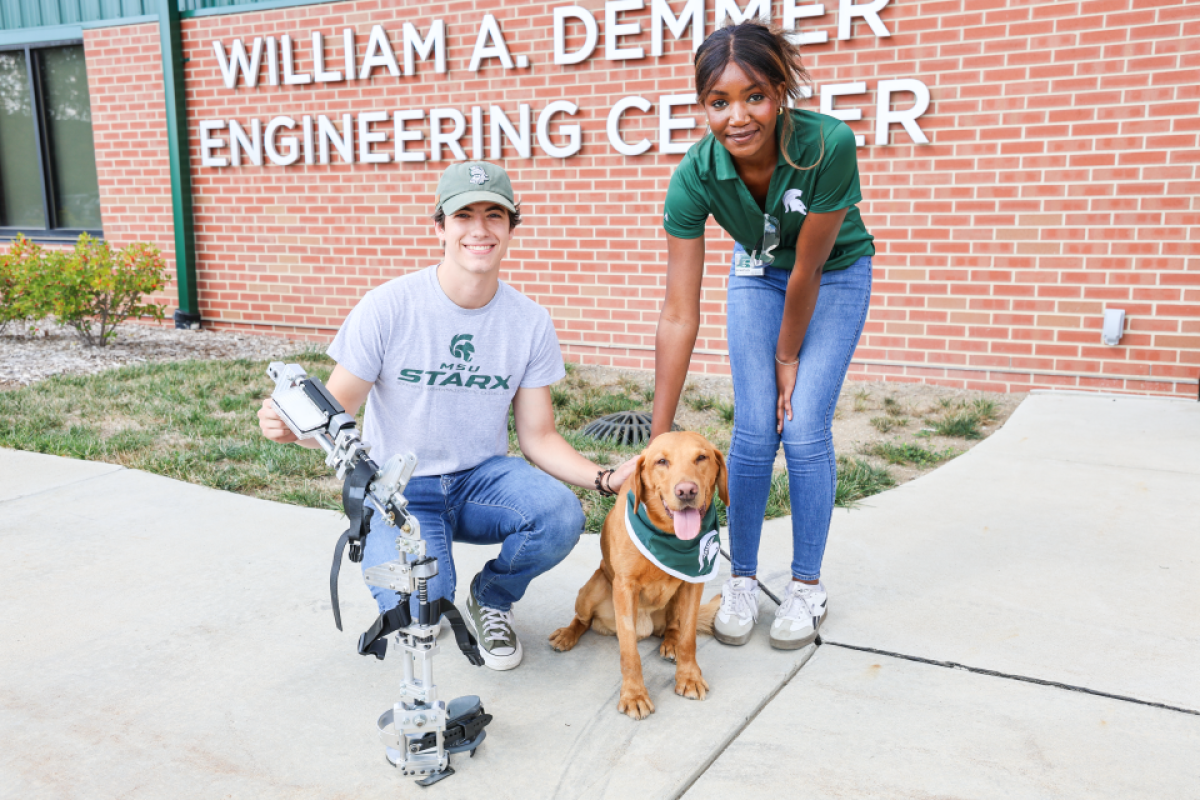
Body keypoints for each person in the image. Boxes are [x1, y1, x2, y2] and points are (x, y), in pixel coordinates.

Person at [259, 161, 634, 670]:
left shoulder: (529, 321)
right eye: (464, 216)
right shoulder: (389, 307)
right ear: (440, 227)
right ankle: (429, 581)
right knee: (421, 608)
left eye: (494, 216)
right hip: (400, 487)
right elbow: (336, 412)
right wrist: (289, 432)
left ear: (510, 228)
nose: (479, 230)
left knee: (560, 515)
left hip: (481, 481)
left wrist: (607, 478)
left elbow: (539, 436)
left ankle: (492, 598)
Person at [650, 21, 875, 650]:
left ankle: (806, 586)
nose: (737, 116)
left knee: (802, 426)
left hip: (832, 275)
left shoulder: (827, 143)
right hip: (757, 272)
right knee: (753, 429)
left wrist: (787, 356)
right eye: (718, 102)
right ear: (704, 107)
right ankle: (741, 577)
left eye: (754, 96)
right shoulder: (695, 175)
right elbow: (677, 312)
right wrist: (658, 438)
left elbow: (807, 267)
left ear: (779, 91)